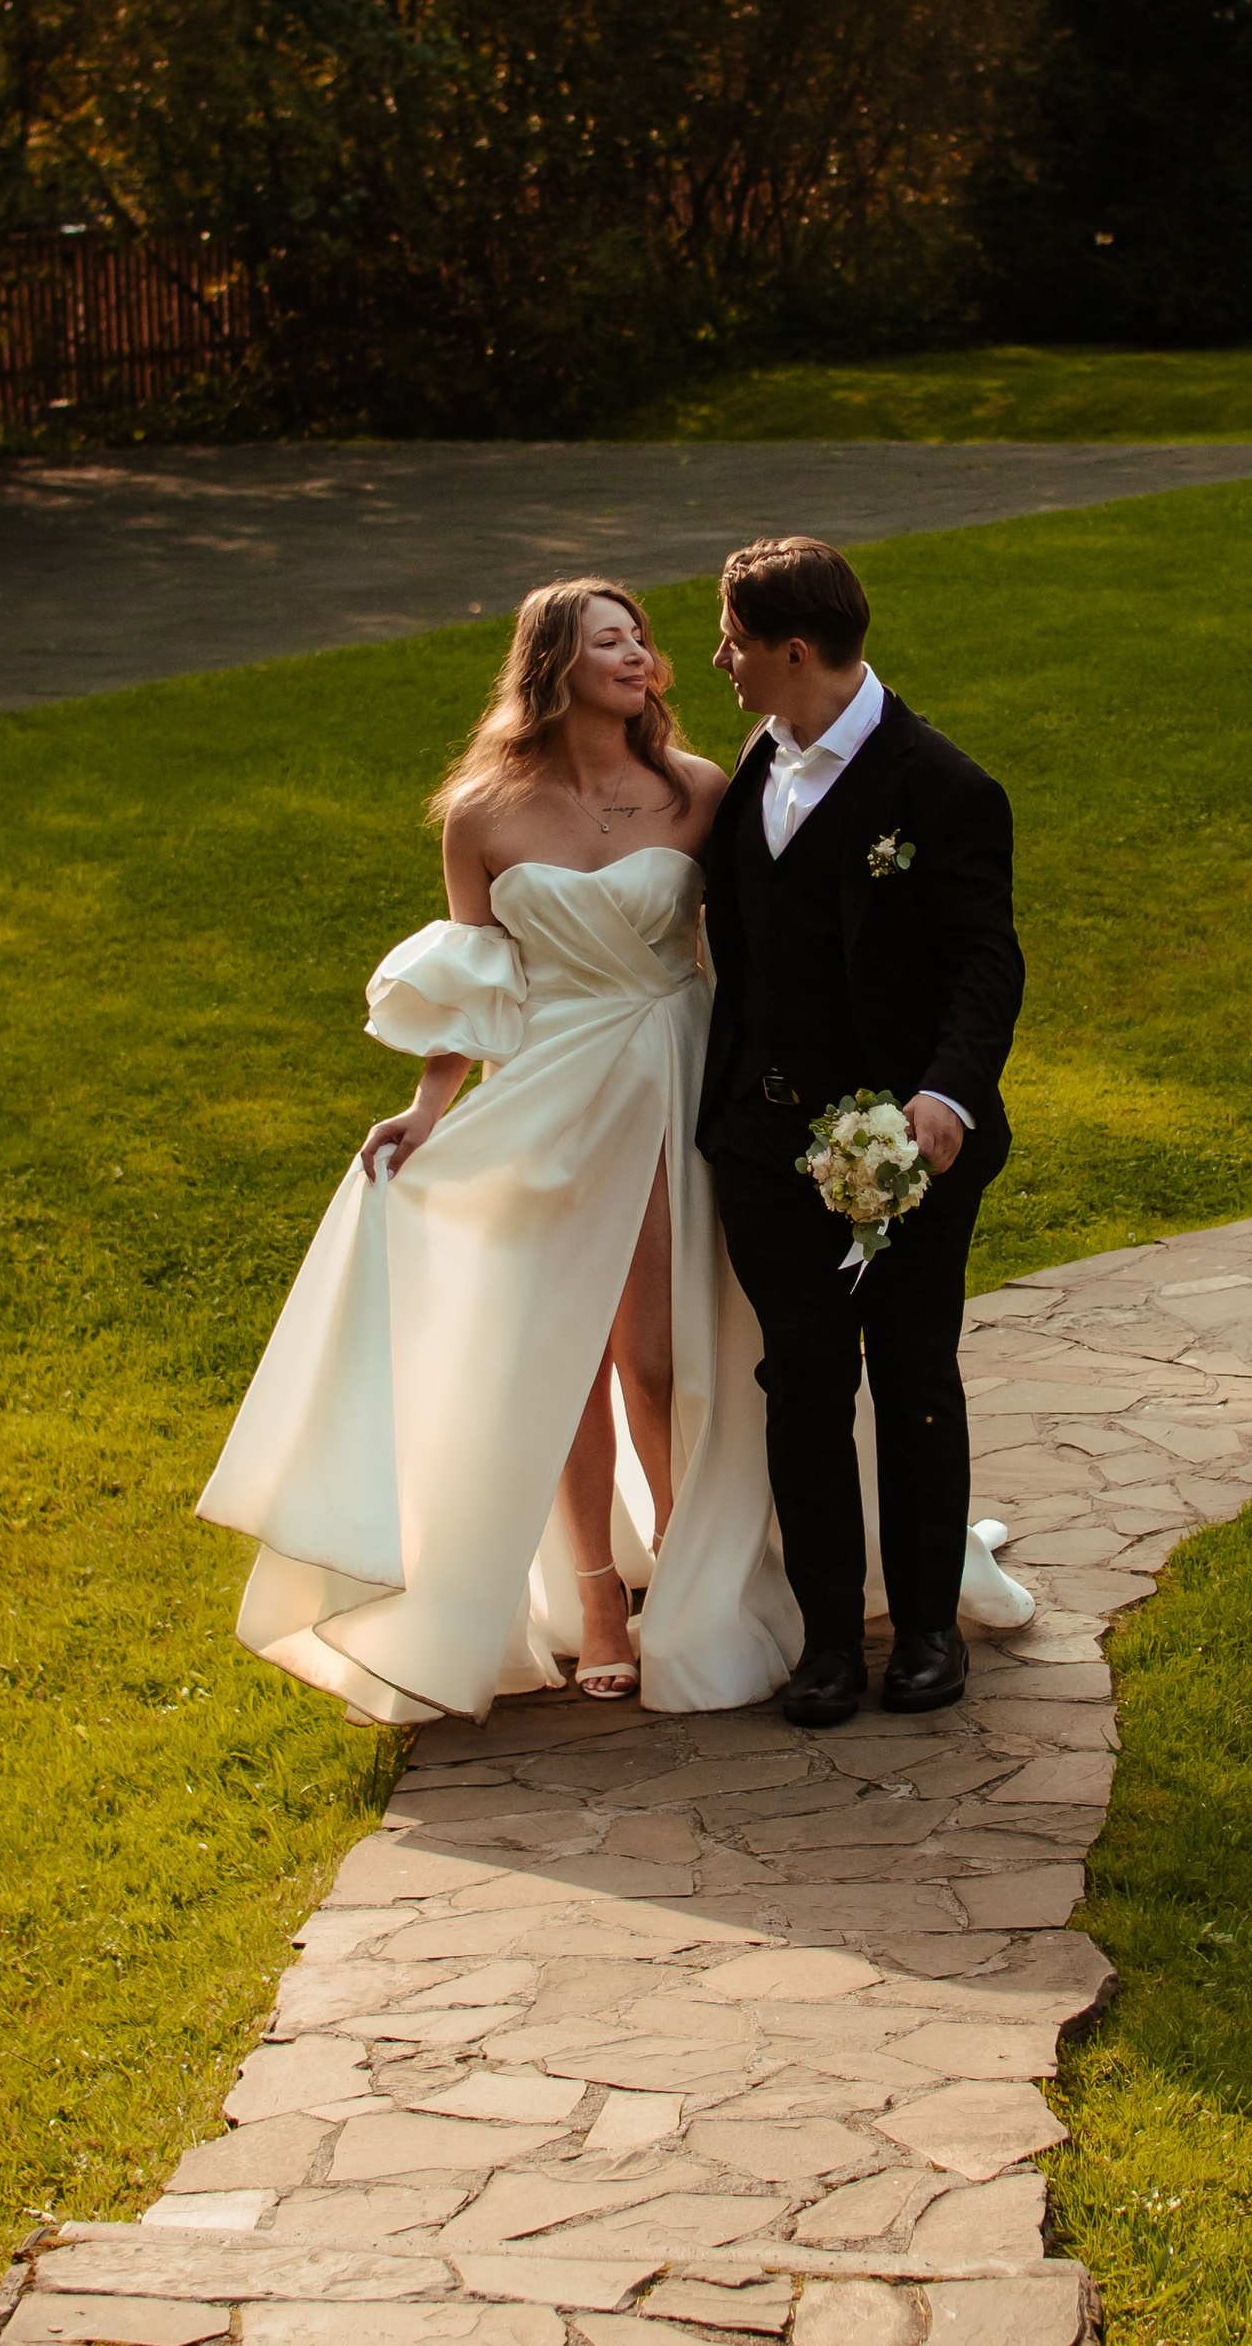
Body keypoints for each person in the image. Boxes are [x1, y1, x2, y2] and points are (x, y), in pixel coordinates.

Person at [198, 580, 802, 1721]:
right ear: (555, 665)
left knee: (657, 1354)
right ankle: (597, 1597)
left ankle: (692, 1567)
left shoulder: (698, 790)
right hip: (549, 1090)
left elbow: (752, 948)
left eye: (640, 638)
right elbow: (477, 978)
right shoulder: (481, 813)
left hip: (671, 1071)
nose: (638, 655)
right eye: (609, 641)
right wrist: (427, 1109)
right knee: (558, 1352)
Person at [700, 535, 1025, 1726]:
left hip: (907, 1152)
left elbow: (984, 961)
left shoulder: (942, 787)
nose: (719, 660)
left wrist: (944, 1096)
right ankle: (831, 1639)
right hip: (760, 1146)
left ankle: (928, 1630)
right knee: (802, 1383)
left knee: (913, 1374)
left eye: (733, 639)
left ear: (793, 651)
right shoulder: (753, 764)